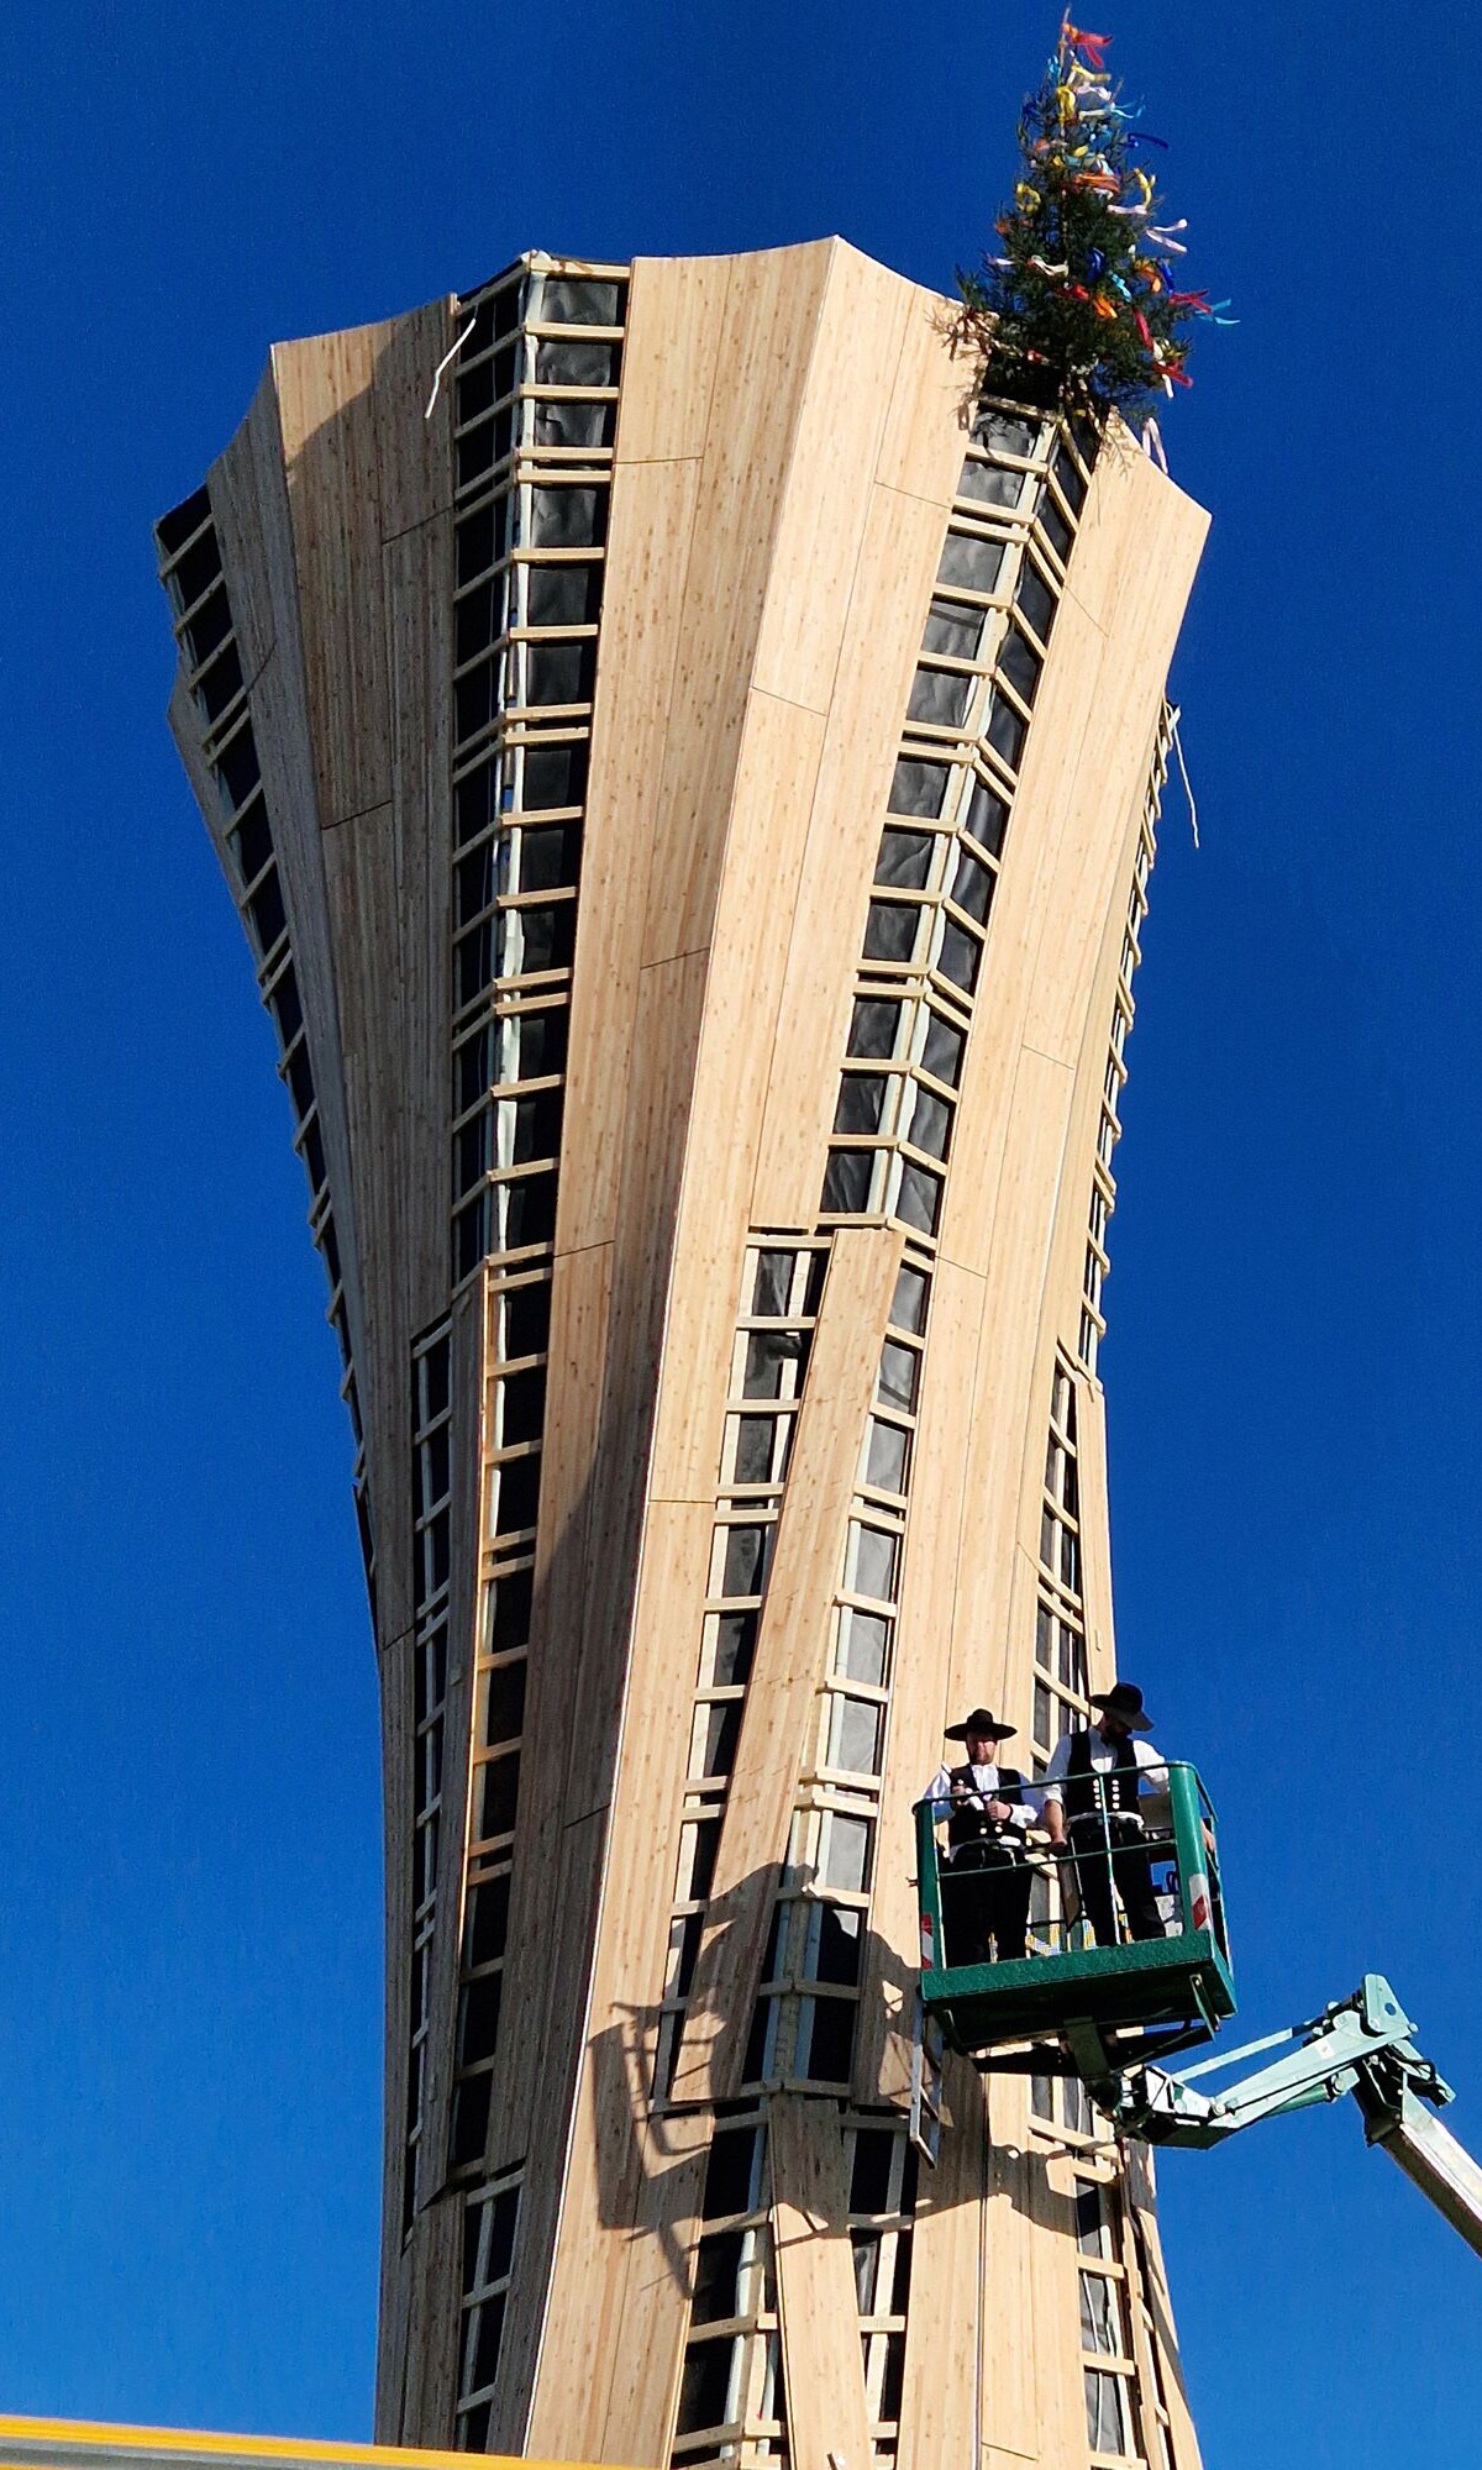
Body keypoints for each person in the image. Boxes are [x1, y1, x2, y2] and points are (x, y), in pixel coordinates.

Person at [1039, 1682, 1167, 1947]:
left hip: (1127, 1832)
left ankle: (1154, 1948)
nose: (1127, 1730)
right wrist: (1056, 1834)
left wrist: (1197, 1828)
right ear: (1108, 1716)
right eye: (1123, 1723)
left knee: (1139, 1896)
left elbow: (1172, 1783)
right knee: (1098, 1902)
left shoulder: (1138, 1750)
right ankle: (1110, 1949)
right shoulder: (1070, 1746)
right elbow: (1052, 1794)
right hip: (1086, 1833)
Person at [921, 1707, 1035, 1964]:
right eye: (973, 1740)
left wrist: (1010, 1811)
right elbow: (924, 1813)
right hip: (969, 1860)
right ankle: (974, 1974)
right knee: (971, 1930)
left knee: (1012, 1926)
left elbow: (1039, 1813)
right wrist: (952, 1805)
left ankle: (1013, 1976)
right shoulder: (950, 1778)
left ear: (995, 1743)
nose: (979, 1745)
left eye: (985, 1739)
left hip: (1008, 1859)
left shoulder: (1015, 1778)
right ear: (966, 1743)